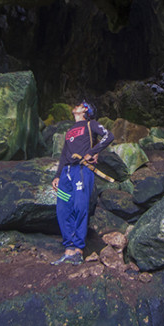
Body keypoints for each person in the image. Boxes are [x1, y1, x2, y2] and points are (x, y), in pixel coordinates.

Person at [50, 100, 114, 266]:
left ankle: (78, 250)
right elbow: (65, 153)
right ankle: (68, 250)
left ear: (85, 110)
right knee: (63, 209)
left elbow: (109, 136)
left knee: (80, 206)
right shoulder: (70, 131)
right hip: (67, 173)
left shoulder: (90, 124)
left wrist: (91, 152)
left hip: (82, 170)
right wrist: (58, 175)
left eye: (79, 105)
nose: (75, 106)